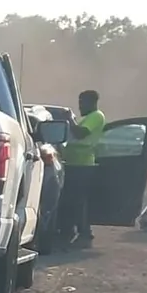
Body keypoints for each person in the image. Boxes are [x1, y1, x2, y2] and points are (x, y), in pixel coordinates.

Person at [52, 89, 107, 250]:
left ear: (92, 102)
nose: (80, 106)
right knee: (70, 201)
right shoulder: (86, 119)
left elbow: (80, 134)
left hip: (82, 165)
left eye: (82, 103)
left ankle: (84, 234)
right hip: (73, 164)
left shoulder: (96, 116)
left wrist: (69, 119)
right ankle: (67, 232)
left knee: (77, 201)